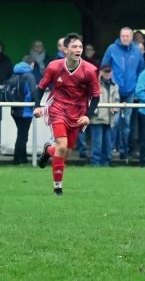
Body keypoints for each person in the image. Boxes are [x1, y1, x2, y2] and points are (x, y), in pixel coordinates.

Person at [34, 33, 100, 195]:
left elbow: (96, 96)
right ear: (65, 49)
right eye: (74, 46)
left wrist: (87, 116)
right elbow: (40, 87)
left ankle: (48, 150)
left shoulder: (90, 70)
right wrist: (37, 107)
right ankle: (58, 188)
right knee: (62, 146)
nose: (78, 50)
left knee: (65, 152)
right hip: (57, 109)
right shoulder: (54, 66)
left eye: (80, 47)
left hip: (77, 113)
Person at [101, 27, 145, 160]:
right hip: (114, 91)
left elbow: (141, 70)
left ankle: (124, 150)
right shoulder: (112, 48)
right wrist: (109, 84)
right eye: (123, 36)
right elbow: (104, 67)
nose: (125, 38)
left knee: (126, 123)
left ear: (132, 37)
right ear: (120, 37)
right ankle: (110, 151)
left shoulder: (137, 51)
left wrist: (136, 85)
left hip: (130, 91)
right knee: (113, 121)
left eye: (128, 36)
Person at [90, 65, 120, 166]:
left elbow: (117, 100)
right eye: (105, 72)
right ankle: (95, 163)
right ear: (101, 72)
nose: (107, 74)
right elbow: (89, 99)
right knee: (97, 143)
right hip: (97, 118)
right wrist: (93, 111)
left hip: (109, 119)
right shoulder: (94, 84)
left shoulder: (115, 85)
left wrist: (115, 109)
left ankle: (106, 162)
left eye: (109, 72)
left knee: (107, 143)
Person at [8, 56, 36, 165]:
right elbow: (34, 92)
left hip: (15, 109)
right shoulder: (29, 76)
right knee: (23, 136)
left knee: (21, 134)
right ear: (31, 63)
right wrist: (38, 105)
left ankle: (22, 159)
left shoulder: (15, 74)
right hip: (26, 110)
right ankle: (18, 160)